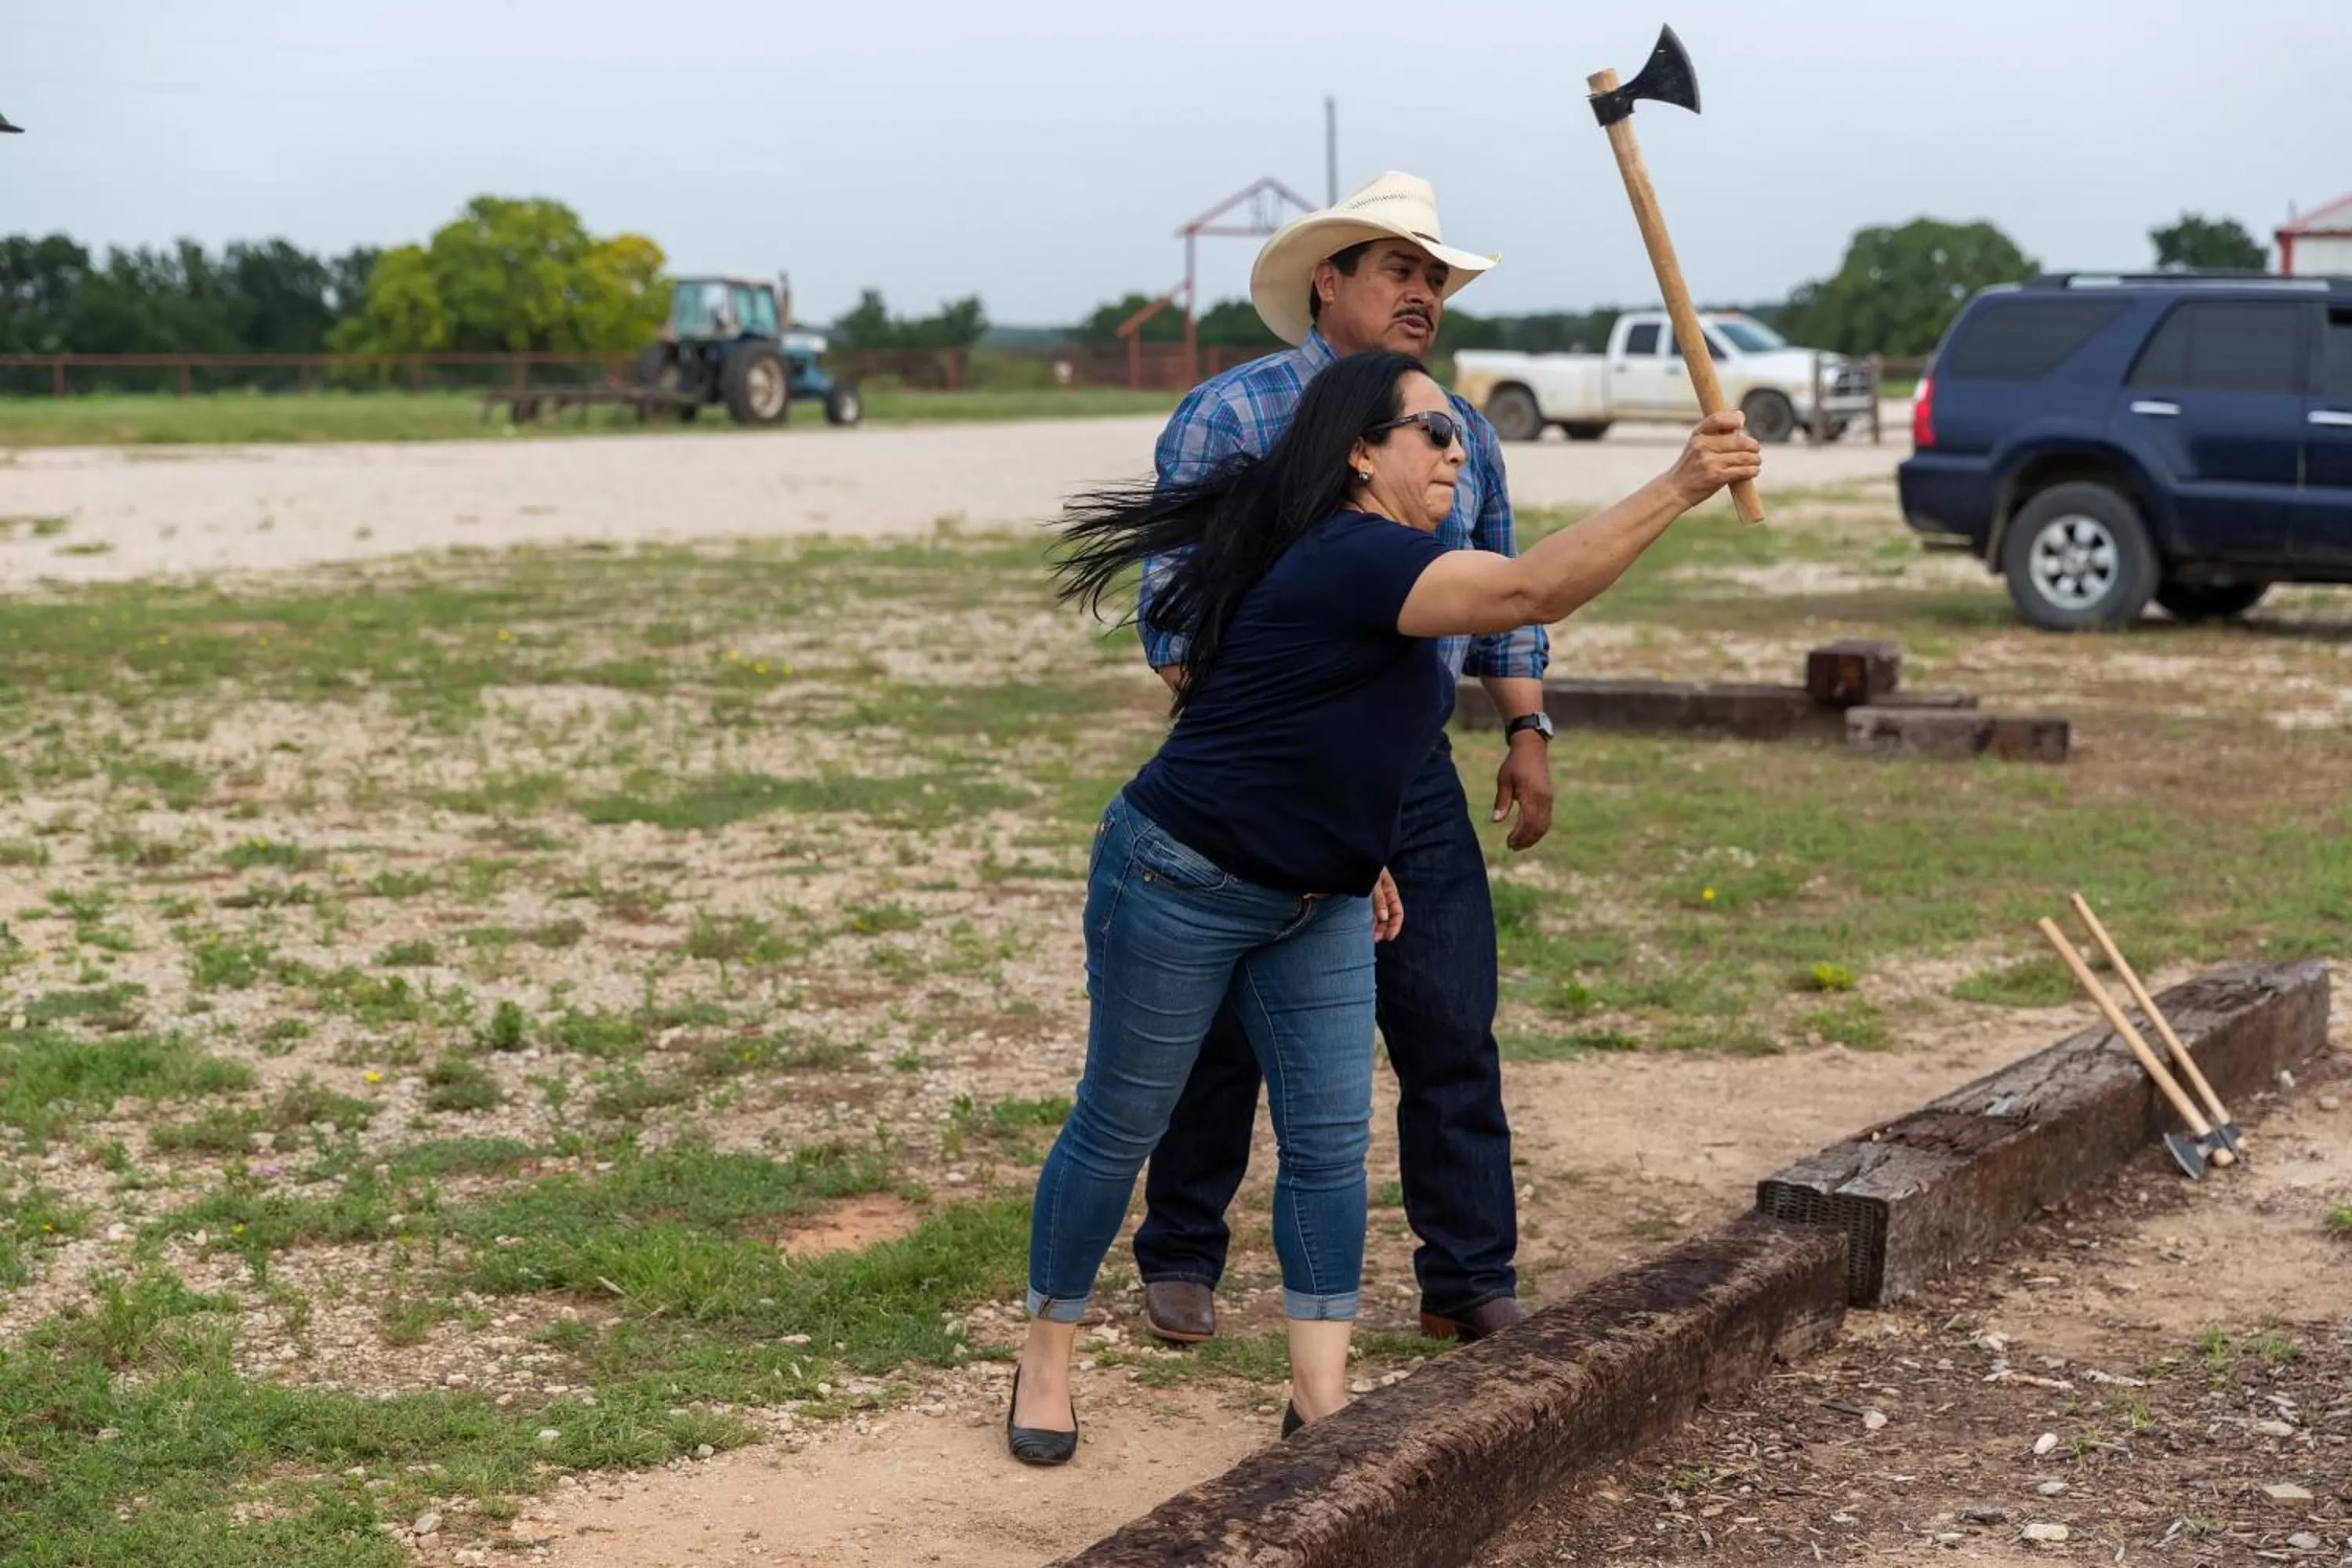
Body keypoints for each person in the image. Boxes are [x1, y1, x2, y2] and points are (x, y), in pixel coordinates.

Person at [1007, 348, 1762, 1465]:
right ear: (1362, 453)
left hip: (1322, 891)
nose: (1458, 448)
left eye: (1460, 432)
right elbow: (1530, 590)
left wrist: (1362, 851)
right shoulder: (1357, 555)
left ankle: (1318, 1400)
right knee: (1121, 1125)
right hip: (1182, 875)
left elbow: (1360, 728)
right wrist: (1680, 483)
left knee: (1328, 1147)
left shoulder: (1397, 558)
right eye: (1431, 433)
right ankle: (1045, 1359)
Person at [1132, 171, 1554, 1348]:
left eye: (1435, 278)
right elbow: (1173, 614)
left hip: (1411, 774)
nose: (1424, 294)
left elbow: (1504, 587)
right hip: (1257, 767)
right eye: (1400, 271)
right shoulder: (1236, 417)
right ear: (1331, 280)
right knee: (1225, 1021)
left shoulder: (1457, 428)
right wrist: (1288, 768)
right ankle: (1182, 1254)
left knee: (1449, 1017)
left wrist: (1525, 727)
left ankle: (1469, 1274)